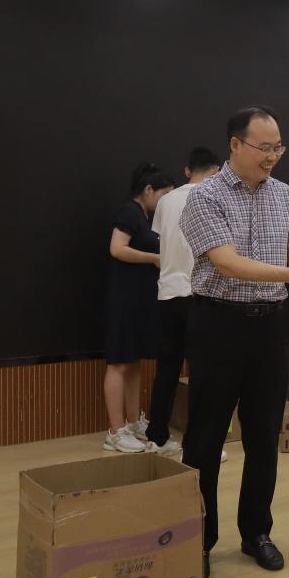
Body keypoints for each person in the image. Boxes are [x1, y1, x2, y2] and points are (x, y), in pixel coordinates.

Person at [180, 106, 289, 578]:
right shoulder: (204, 197)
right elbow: (227, 263)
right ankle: (197, 539)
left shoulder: (283, 193)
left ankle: (257, 532)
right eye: (264, 148)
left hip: (269, 329)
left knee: (265, 436)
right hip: (217, 324)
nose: (272, 156)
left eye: (277, 147)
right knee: (205, 438)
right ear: (235, 145)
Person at [144, 147, 222, 457]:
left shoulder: (166, 200)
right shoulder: (214, 197)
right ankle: (198, 443)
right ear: (216, 171)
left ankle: (157, 436)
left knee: (167, 368)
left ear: (188, 170)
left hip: (167, 293)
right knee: (203, 372)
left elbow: (162, 240)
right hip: (199, 295)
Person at [102, 162, 175, 453]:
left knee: (133, 363)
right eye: (164, 194)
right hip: (123, 300)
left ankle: (133, 423)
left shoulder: (146, 216)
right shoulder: (128, 212)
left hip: (140, 301)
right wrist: (153, 258)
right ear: (148, 190)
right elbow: (117, 248)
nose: (166, 201)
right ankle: (115, 432)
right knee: (119, 363)